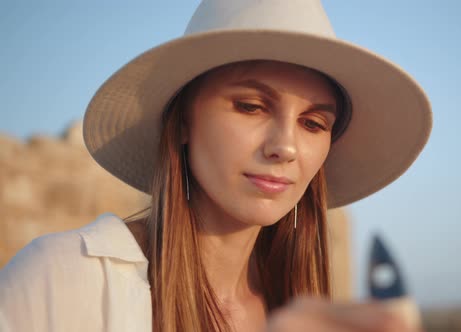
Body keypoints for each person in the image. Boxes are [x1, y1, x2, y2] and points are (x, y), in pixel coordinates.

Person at [0, 0, 432, 331]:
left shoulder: (299, 312)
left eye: (314, 123)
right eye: (250, 106)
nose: (286, 147)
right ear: (185, 121)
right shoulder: (65, 281)